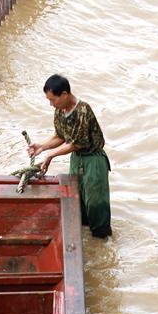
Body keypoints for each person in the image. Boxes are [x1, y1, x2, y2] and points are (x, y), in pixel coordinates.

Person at [27, 74, 112, 238]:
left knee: (95, 203)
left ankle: (102, 240)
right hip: (77, 159)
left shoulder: (83, 111)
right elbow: (60, 136)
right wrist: (42, 147)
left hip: (93, 159)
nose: (52, 104)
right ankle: (85, 239)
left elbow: (76, 143)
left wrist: (50, 156)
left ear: (64, 94)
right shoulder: (60, 111)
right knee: (77, 201)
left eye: (53, 100)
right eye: (49, 101)